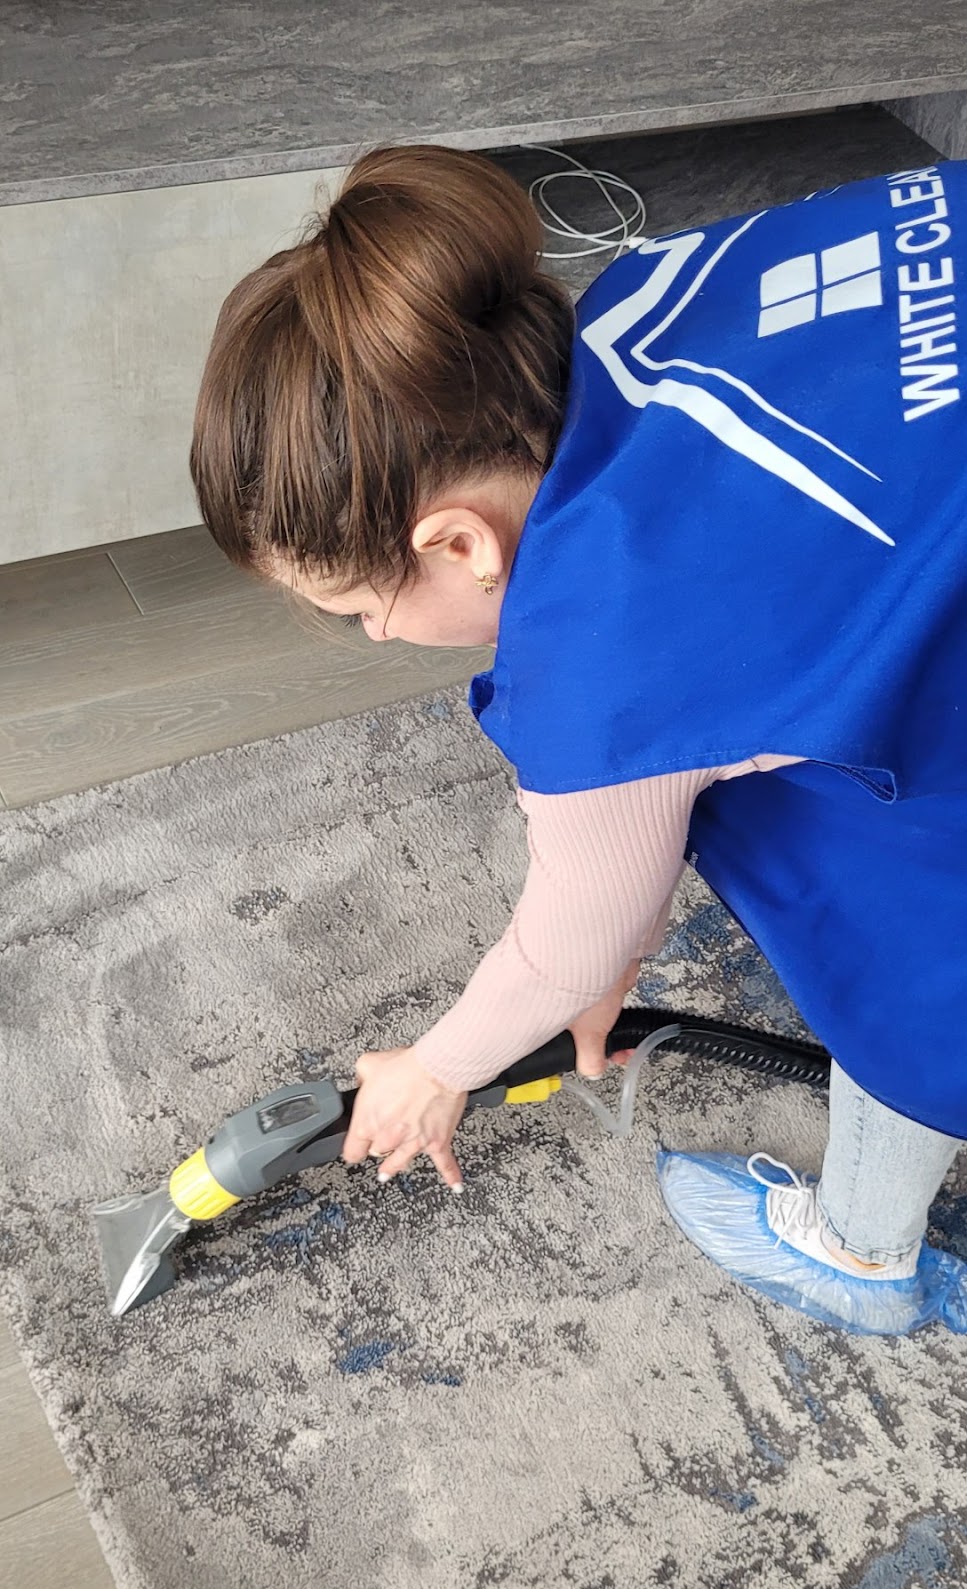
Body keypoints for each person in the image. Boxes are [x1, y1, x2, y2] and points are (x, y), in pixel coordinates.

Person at [190, 144, 967, 1336]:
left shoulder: (603, 654)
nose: (375, 635)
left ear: (458, 544)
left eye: (358, 608)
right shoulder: (637, 301)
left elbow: (568, 936)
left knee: (906, 929)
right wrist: (606, 961)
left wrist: (437, 1068)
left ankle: (861, 1254)